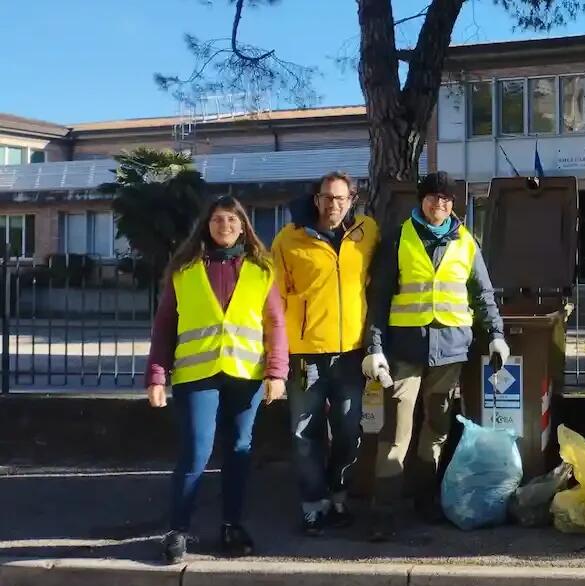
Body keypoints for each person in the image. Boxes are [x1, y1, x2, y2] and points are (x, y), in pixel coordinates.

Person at [361, 171, 508, 540]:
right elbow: (378, 298)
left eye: (445, 198)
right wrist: (375, 347)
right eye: (432, 197)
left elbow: (483, 294)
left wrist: (496, 336)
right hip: (405, 349)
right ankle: (384, 510)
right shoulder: (398, 238)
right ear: (421, 200)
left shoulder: (466, 242)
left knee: (437, 428)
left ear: (453, 204)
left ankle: (425, 499)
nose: (438, 204)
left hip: (451, 349)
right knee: (396, 432)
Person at [146, 196, 287, 564]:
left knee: (240, 453)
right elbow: (165, 326)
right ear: (206, 226)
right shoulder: (185, 269)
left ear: (243, 226)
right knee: (196, 451)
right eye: (217, 220)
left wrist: (277, 372)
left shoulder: (261, 269)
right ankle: (178, 530)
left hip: (246, 376)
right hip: (197, 376)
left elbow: (275, 323)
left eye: (231, 220)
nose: (224, 226)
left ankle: (232, 526)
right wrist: (156, 376)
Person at [272, 171, 380, 536]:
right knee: (305, 434)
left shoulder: (366, 233)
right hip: (305, 356)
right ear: (316, 199)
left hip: (351, 353)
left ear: (352, 201)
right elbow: (273, 300)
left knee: (350, 431)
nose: (334, 205)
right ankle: (312, 505)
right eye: (327, 197)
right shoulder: (289, 240)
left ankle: (338, 494)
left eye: (341, 198)